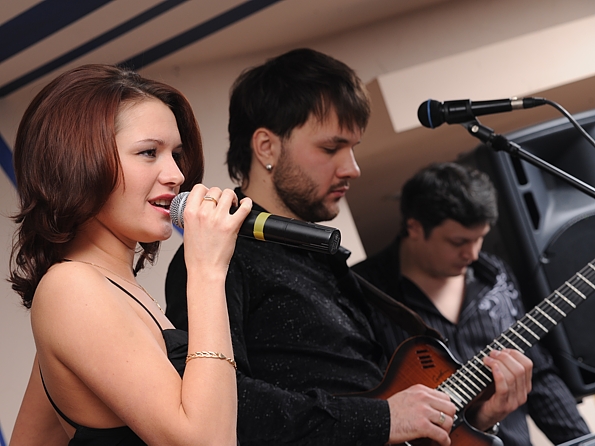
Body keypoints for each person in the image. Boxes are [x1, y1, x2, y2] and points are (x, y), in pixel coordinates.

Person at [165, 48, 533, 446]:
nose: (352, 168)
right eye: (330, 148)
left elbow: (379, 403)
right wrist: (382, 419)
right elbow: (225, 406)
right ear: (266, 147)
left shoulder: (322, 257)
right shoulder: (215, 255)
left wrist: (478, 418)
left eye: (353, 148)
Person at [8, 64, 252, 445]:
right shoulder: (70, 288)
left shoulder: (97, 292)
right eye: (149, 152)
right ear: (79, 163)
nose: (176, 174)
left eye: (176, 154)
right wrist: (207, 269)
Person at [352, 162, 591, 446]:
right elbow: (357, 401)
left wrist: (583, 441)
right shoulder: (361, 291)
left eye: (480, 239)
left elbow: (537, 374)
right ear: (414, 227)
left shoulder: (495, 274)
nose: (473, 254)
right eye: (458, 242)